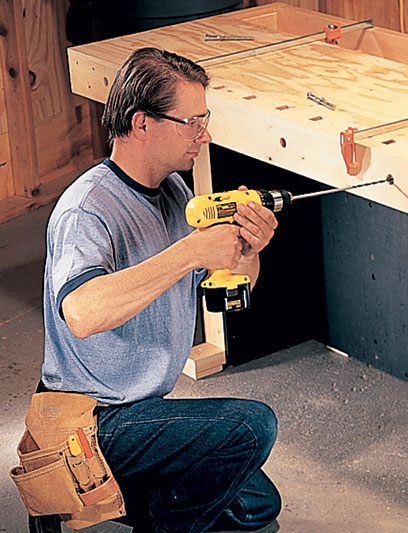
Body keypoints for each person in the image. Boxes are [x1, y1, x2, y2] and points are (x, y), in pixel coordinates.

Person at [35, 47, 281, 532]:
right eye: (192, 123)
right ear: (142, 123)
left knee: (257, 505)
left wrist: (248, 252)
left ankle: (111, 497)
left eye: (204, 120)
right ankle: (85, 487)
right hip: (93, 423)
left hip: (145, 410)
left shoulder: (174, 194)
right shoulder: (87, 209)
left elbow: (227, 295)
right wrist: (190, 251)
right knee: (252, 427)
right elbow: (82, 314)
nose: (205, 136)